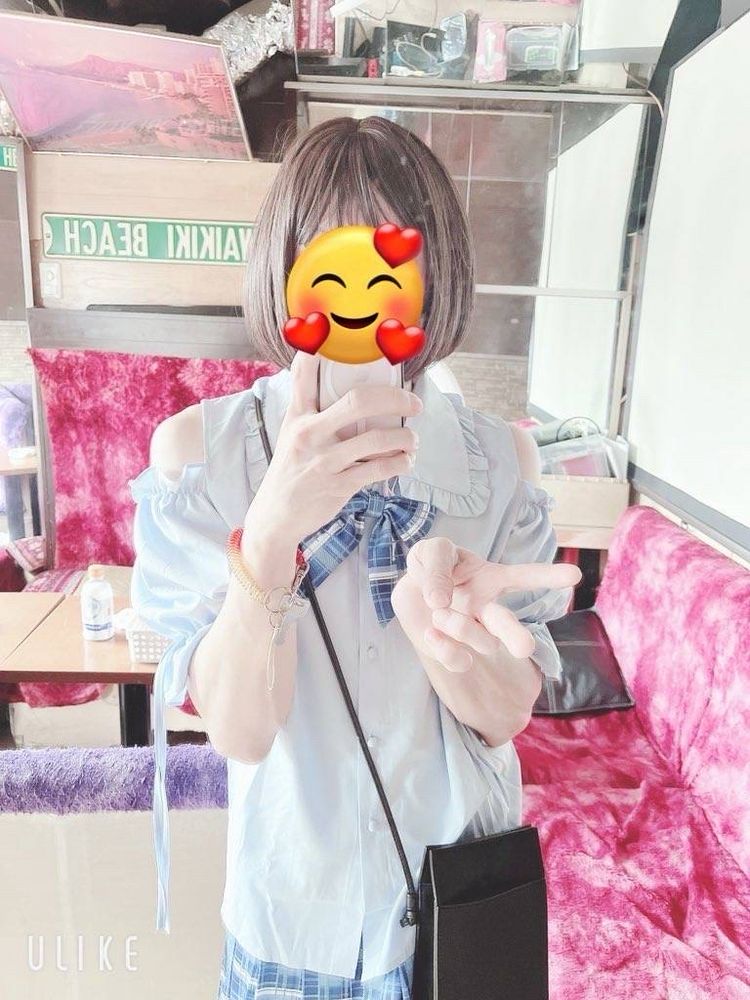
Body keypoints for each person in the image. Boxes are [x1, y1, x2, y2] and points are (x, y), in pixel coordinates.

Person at [129, 115, 582, 1000]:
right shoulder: (201, 458)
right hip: (290, 915)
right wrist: (269, 534)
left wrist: (445, 637)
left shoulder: (501, 464)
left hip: (456, 908)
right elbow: (240, 732)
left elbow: (505, 718)